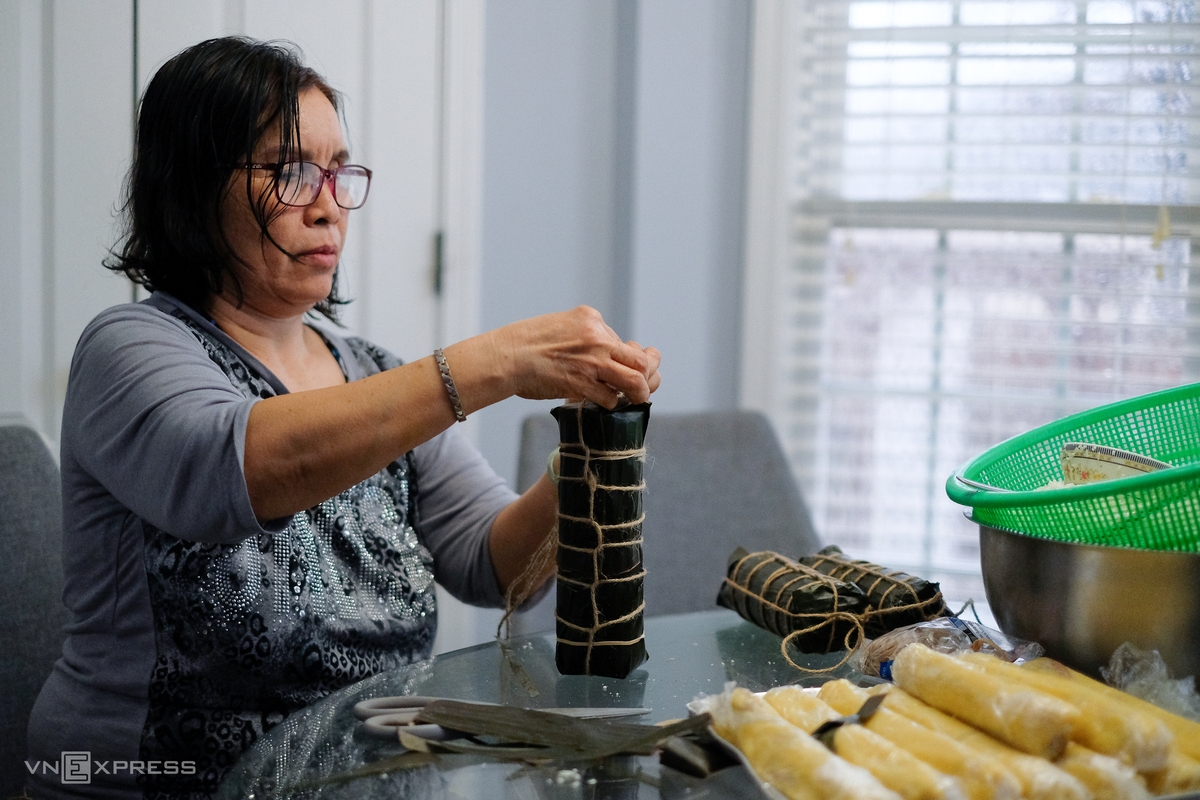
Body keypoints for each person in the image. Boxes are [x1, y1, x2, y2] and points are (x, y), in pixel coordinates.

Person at [26, 36, 660, 799]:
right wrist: (493, 363)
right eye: (290, 172)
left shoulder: (377, 374)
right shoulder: (128, 349)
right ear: (194, 185)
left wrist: (587, 439)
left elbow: (495, 566)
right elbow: (243, 470)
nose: (329, 204)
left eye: (339, 172)